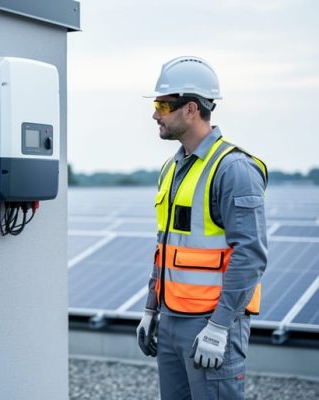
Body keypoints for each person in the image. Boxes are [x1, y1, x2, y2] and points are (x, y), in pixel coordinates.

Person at [136, 56, 268, 400]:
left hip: (210, 324)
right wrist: (152, 309)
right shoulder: (171, 168)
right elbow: (164, 247)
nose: (155, 114)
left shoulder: (234, 169)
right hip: (171, 321)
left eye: (162, 104)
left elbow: (250, 255)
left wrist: (220, 326)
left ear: (191, 109)